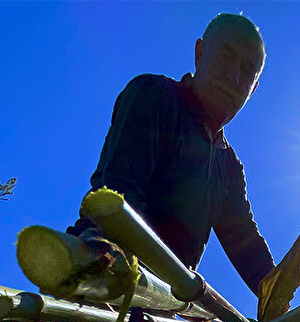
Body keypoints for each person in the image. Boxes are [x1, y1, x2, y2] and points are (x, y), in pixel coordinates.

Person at [70, 13, 275, 299]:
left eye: (247, 71)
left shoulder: (228, 166)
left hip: (165, 297)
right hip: (106, 273)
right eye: (226, 58)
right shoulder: (155, 97)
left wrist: (279, 295)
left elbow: (245, 242)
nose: (233, 76)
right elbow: (121, 199)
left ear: (253, 89)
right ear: (200, 53)